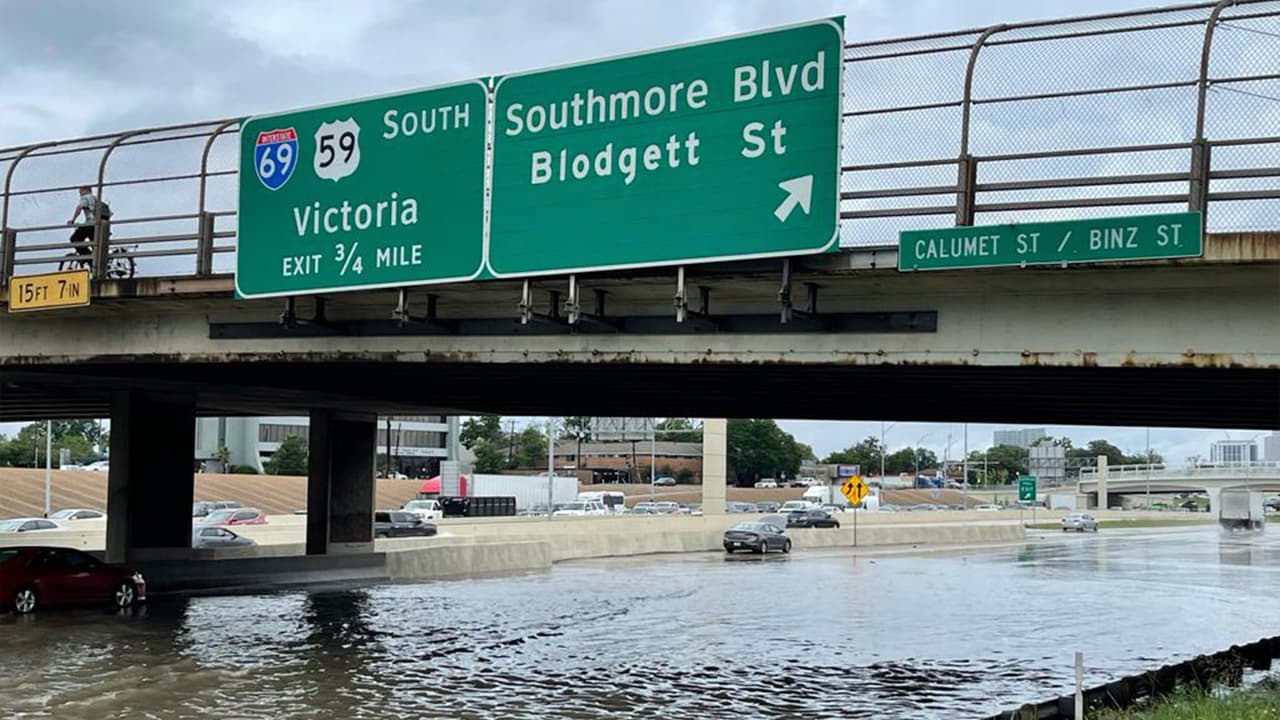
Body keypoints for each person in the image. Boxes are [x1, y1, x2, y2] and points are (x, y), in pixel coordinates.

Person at [66, 186, 107, 261]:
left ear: (85, 190)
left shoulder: (85, 197)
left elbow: (79, 208)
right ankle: (99, 262)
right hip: (100, 225)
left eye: (80, 192)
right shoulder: (96, 199)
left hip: (91, 223)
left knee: (75, 239)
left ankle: (89, 259)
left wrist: (73, 220)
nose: (80, 194)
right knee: (95, 246)